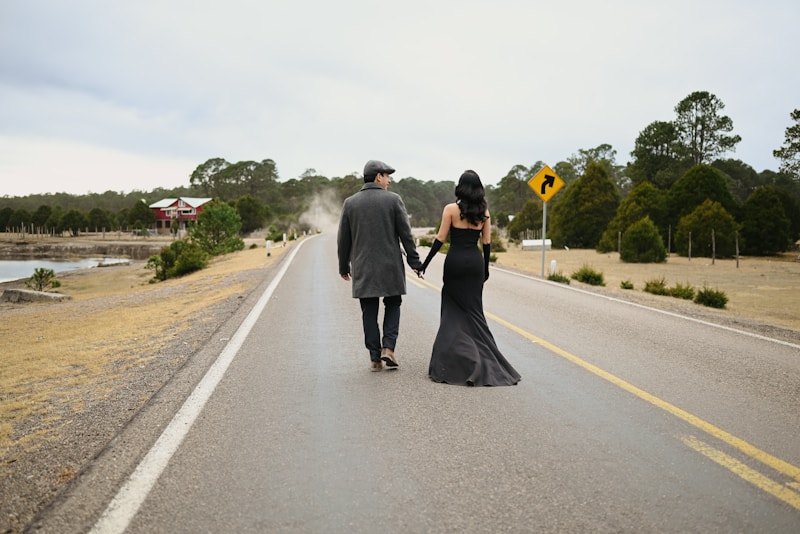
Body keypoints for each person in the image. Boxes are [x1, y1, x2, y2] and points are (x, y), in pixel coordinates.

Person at [418, 170, 521, 386]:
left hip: (455, 262)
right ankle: (486, 359)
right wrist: (485, 269)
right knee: (474, 313)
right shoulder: (484, 212)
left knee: (451, 312)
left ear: (461, 187)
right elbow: (486, 243)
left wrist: (424, 265)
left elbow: (439, 239)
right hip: (474, 264)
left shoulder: (450, 210)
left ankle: (450, 363)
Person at [338, 159, 423, 372]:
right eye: (387, 176)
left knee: (369, 310)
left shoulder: (350, 203)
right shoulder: (394, 200)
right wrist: (415, 262)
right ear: (378, 177)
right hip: (390, 265)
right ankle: (389, 348)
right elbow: (406, 235)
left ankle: (375, 358)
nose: (390, 180)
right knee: (393, 304)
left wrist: (343, 266)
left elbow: (343, 240)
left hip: (363, 266)